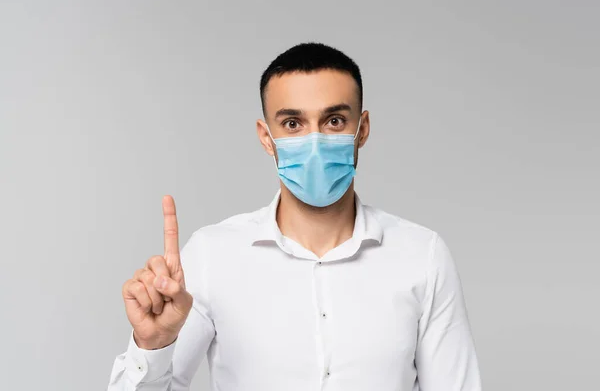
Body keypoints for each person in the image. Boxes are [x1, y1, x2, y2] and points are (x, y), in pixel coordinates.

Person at [107, 42, 482, 391]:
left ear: (362, 129)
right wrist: (152, 347)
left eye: (334, 121)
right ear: (266, 137)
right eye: (292, 124)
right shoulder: (210, 256)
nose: (315, 141)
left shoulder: (422, 255)